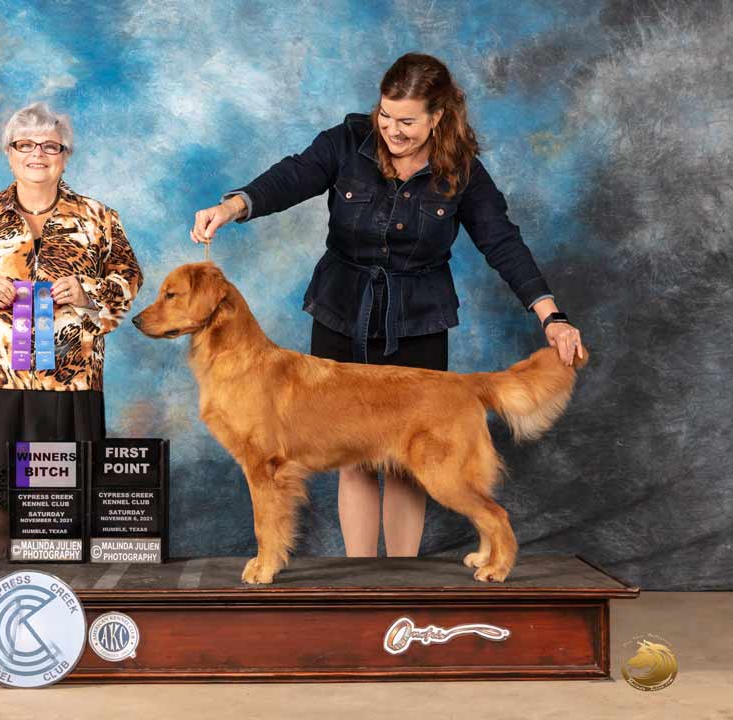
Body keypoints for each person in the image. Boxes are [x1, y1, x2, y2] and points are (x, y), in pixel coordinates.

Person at [191, 53, 583, 559]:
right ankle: (362, 580)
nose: (392, 130)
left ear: (437, 117)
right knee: (352, 456)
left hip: (418, 319)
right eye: (385, 115)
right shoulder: (346, 140)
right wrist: (233, 205)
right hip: (341, 311)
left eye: (407, 121)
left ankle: (401, 576)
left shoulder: (462, 170)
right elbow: (290, 178)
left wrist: (550, 315)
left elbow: (502, 242)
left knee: (408, 460)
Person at [0, 102, 143, 557]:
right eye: (25, 144)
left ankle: (55, 609)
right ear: (9, 153)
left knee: (56, 505)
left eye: (50, 145)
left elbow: (129, 277)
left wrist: (87, 292)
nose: (37, 154)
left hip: (68, 382)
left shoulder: (99, 218)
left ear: (65, 155)